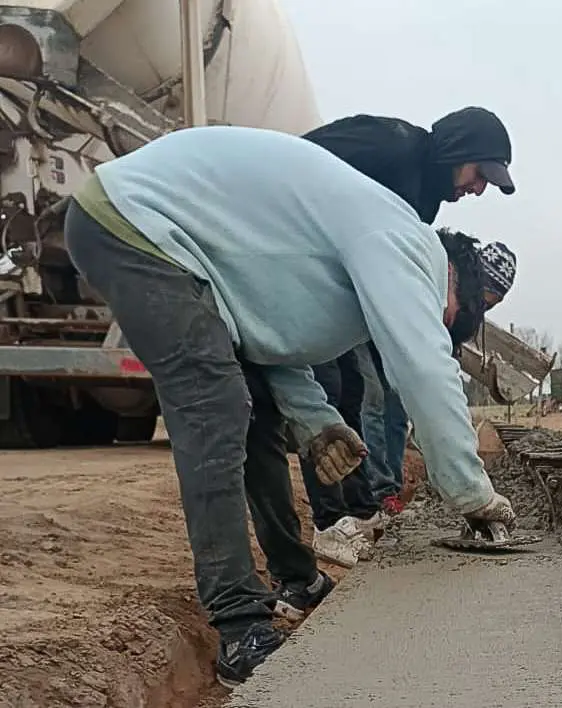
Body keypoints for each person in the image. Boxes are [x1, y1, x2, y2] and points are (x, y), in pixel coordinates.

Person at [63, 125, 517, 686]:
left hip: (175, 240)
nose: (425, 321)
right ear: (452, 289)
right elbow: (423, 368)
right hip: (138, 220)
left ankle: (298, 579)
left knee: (252, 408)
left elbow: (265, 332)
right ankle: (239, 628)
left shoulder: (370, 240)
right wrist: (474, 495)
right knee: (214, 401)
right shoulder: (408, 243)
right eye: (440, 319)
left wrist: (316, 418)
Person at [297, 107, 516, 564]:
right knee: (328, 388)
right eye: (480, 175)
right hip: (297, 272)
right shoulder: (392, 147)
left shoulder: (426, 200)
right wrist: (469, 491)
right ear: (458, 150)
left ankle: (361, 511)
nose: (478, 189)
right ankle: (329, 522)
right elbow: (295, 166)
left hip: (340, 293)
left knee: (354, 389)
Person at [314, 234, 519, 569]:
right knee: (373, 401)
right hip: (351, 330)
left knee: (393, 409)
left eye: (490, 306)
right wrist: (472, 493)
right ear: (460, 280)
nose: (473, 312)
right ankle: (366, 502)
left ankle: (381, 494)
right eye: (479, 301)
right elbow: (430, 381)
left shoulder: (429, 282)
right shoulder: (412, 276)